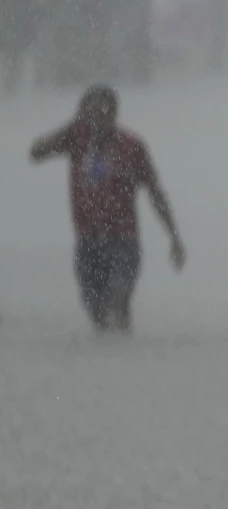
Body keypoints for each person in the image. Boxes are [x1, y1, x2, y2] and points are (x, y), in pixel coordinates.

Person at [29, 84, 185, 332]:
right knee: (98, 314)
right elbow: (36, 153)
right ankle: (108, 361)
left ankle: (125, 360)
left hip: (123, 241)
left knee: (119, 300)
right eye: (91, 111)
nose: (97, 116)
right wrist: (72, 123)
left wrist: (174, 236)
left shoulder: (131, 146)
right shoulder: (76, 138)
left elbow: (155, 192)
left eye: (103, 110)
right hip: (87, 242)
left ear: (114, 112)